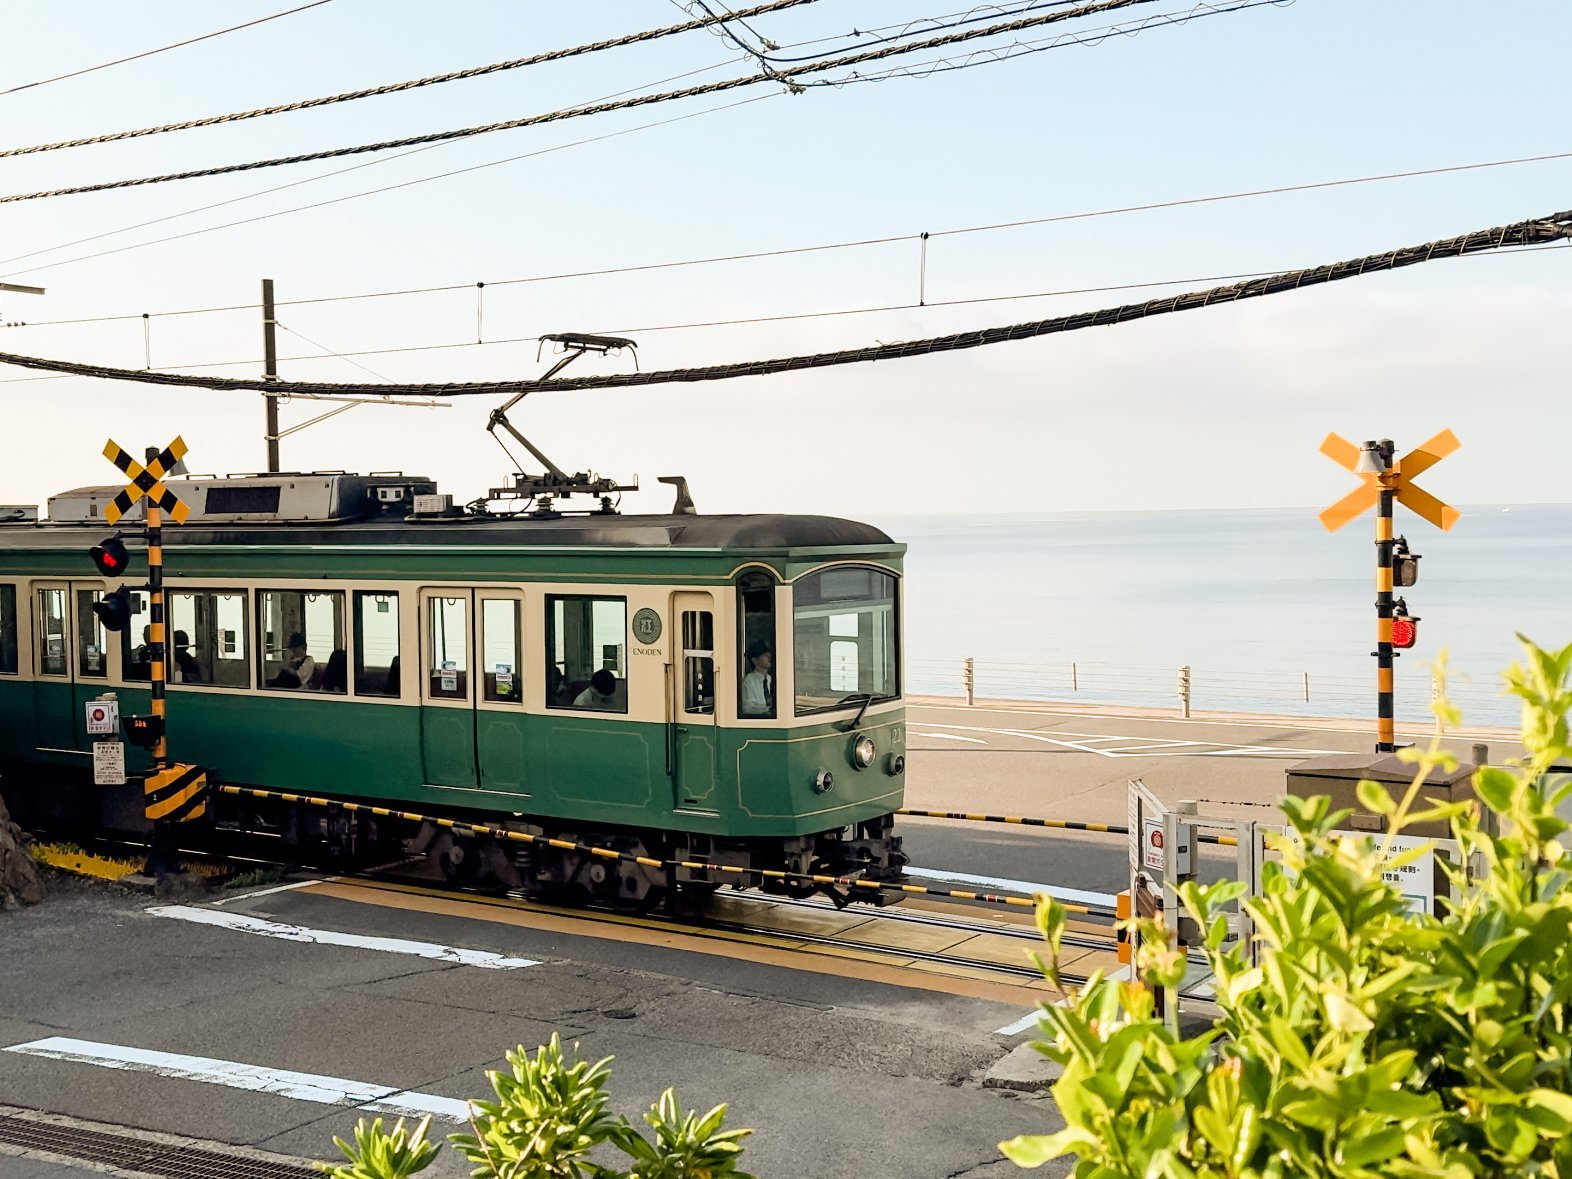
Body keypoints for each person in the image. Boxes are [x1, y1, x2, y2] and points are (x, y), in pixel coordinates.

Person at [741, 641, 774, 716]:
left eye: (769, 654)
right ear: (755, 660)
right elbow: (747, 708)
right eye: (765, 655)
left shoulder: (771, 679)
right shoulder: (748, 681)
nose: (769, 656)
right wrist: (769, 709)